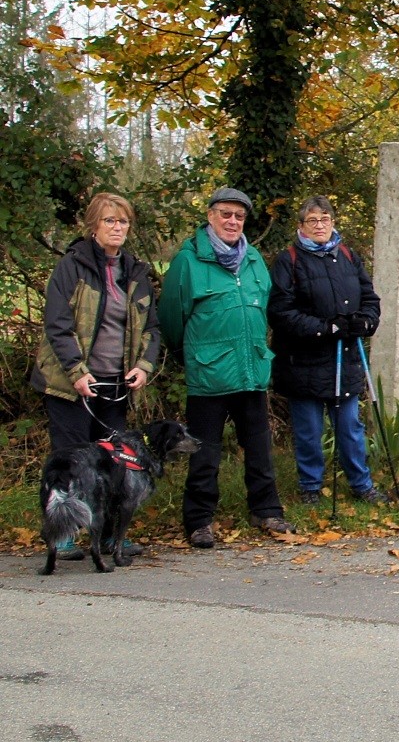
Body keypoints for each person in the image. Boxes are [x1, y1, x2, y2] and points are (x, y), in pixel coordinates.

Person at [161, 188, 296, 547]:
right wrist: (191, 355)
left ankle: (267, 511)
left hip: (251, 368)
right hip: (209, 373)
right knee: (204, 452)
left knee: (259, 446)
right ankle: (199, 521)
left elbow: (264, 307)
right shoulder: (188, 262)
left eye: (239, 216)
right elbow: (172, 319)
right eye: (225, 214)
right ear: (210, 216)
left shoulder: (252, 259)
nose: (232, 221)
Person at [31, 192, 162, 559]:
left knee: (112, 464)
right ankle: (62, 535)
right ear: (92, 225)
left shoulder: (135, 272)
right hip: (69, 384)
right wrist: (76, 370)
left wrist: (143, 365)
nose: (117, 227)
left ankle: (107, 537)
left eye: (122, 221)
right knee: (69, 462)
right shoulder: (71, 267)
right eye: (109, 220)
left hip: (114, 384)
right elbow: (57, 325)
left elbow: (151, 327)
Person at [267, 196, 387, 507]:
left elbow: (368, 297)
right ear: (301, 226)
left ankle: (362, 485)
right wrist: (326, 328)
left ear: (333, 223)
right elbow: (281, 313)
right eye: (312, 220)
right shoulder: (289, 260)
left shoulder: (346, 255)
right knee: (309, 431)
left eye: (325, 219)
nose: (320, 225)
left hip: (344, 359)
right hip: (303, 362)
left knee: (350, 428)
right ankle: (310, 487)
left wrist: (365, 321)